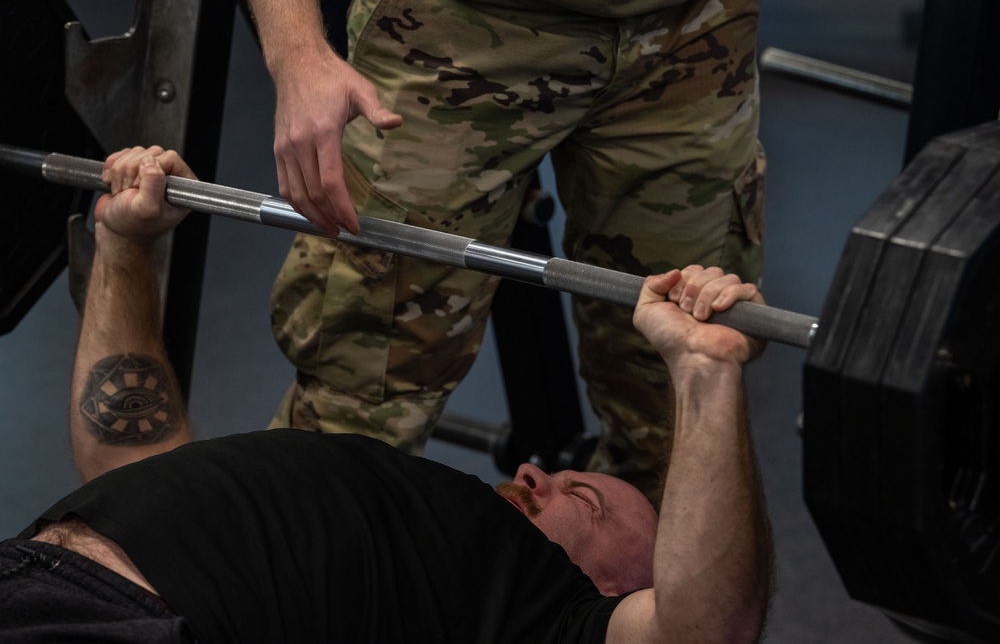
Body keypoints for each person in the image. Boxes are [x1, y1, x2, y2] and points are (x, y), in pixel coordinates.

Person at [1, 148, 772, 642]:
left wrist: (705, 368)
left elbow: (702, 627)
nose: (537, 471)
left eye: (585, 498)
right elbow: (126, 450)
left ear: (616, 592)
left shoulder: (546, 617)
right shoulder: (423, 531)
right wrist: (124, 243)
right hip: (33, 577)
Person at [235, 0, 770, 500]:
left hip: (698, 17)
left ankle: (628, 588)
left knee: (682, 403)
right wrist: (297, 52)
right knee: (356, 408)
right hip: (457, 21)